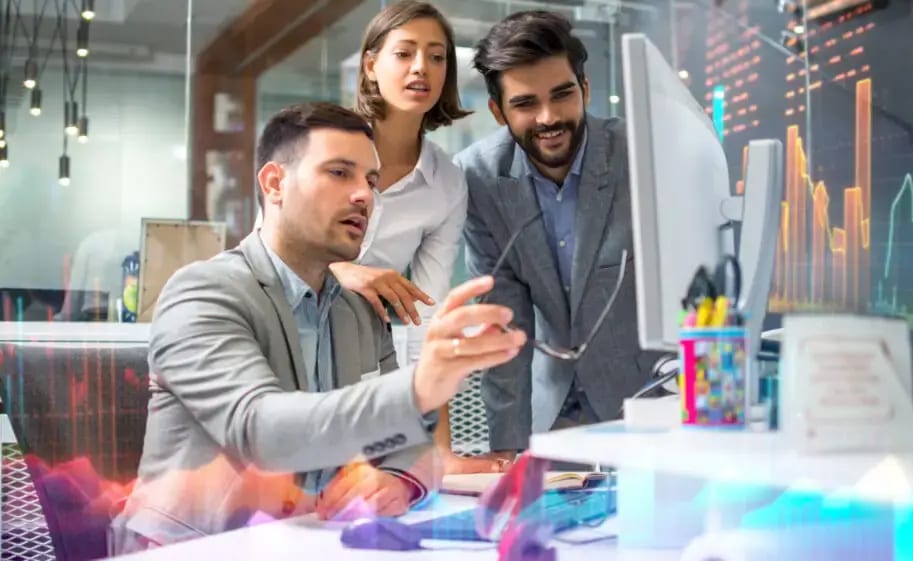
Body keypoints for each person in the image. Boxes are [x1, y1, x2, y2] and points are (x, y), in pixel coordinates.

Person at [109, 102, 526, 553]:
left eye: (370, 180)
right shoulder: (203, 292)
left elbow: (416, 446)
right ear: (274, 184)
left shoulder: (360, 310)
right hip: (196, 548)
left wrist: (399, 479)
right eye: (339, 173)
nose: (365, 195)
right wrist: (418, 388)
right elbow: (261, 431)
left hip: (313, 543)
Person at [455, 11, 662, 462]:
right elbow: (503, 321)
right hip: (552, 413)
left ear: (584, 90)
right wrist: (508, 450)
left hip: (650, 404)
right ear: (498, 111)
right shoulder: (480, 179)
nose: (549, 117)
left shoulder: (643, 154)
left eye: (563, 95)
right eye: (526, 103)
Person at [331, 0, 500, 474]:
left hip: (363, 378)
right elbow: (264, 255)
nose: (421, 68)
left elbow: (429, 319)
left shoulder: (447, 182)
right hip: (282, 357)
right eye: (404, 53)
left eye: (437, 56)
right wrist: (344, 270)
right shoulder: (324, 143)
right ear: (371, 64)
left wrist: (440, 451)